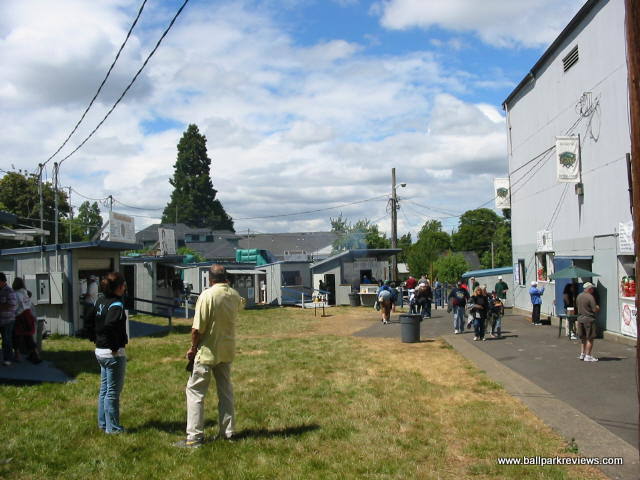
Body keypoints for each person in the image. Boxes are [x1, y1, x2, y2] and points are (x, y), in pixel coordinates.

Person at [175, 265, 245, 448]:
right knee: (226, 392)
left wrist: (193, 348)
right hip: (226, 349)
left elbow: (197, 329)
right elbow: (240, 304)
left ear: (210, 279)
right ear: (226, 278)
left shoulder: (206, 295)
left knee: (195, 393)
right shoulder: (234, 295)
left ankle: (194, 437)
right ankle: (228, 432)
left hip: (207, 351)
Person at [85, 272, 128, 434]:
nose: (125, 288)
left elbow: (89, 320)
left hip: (100, 351)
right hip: (112, 354)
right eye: (123, 285)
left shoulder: (100, 301)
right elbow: (110, 326)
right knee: (112, 392)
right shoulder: (116, 304)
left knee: (104, 390)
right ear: (118, 287)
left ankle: (103, 424)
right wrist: (115, 346)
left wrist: (95, 339)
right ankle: (114, 428)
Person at [12, 278, 41, 364]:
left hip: (20, 317)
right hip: (28, 315)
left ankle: (17, 355)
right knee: (28, 337)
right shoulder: (25, 292)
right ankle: (36, 355)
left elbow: (15, 306)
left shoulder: (16, 294)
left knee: (15, 336)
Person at [576, 282, 600, 362]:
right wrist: (597, 307)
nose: (593, 290)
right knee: (590, 338)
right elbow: (594, 309)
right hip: (589, 319)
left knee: (583, 338)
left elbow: (577, 306)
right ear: (589, 289)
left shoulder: (579, 296)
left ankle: (582, 354)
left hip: (580, 319)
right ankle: (588, 355)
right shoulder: (590, 297)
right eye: (592, 288)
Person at [0, 273, 17, 366]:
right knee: (4, 340)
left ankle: (8, 360)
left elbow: (12, 306)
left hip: (8, 321)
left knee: (7, 340)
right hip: (1, 320)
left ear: (2, 281)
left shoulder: (9, 291)